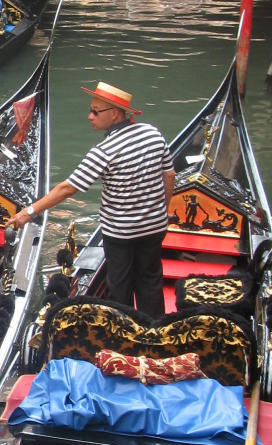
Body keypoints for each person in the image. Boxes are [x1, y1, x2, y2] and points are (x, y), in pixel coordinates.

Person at [10, 80, 175, 317]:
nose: (89, 116)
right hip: (154, 227)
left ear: (115, 114)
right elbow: (169, 174)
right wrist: (162, 209)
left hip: (121, 233)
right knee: (150, 282)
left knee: (120, 286)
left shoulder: (104, 151)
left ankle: (126, 334)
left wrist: (28, 212)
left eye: (96, 112)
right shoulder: (152, 133)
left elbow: (67, 188)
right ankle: (156, 333)